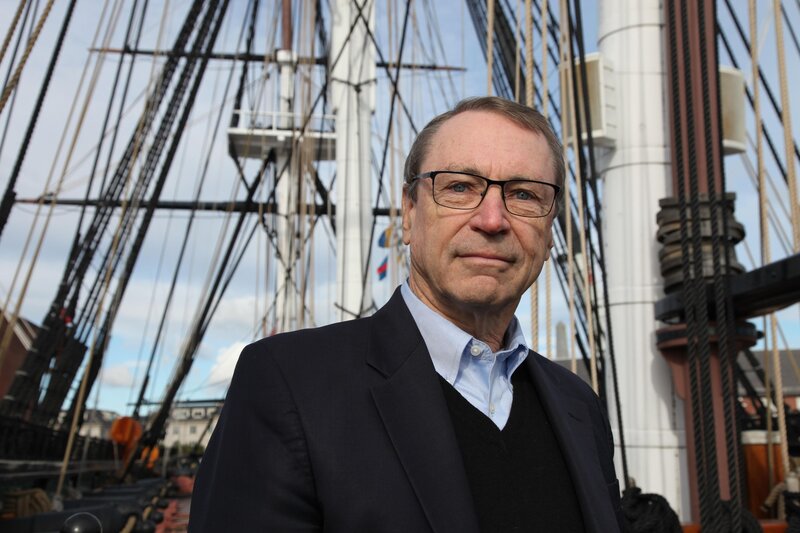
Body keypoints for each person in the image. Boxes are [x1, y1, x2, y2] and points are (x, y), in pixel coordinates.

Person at [189, 97, 624, 532]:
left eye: (525, 194)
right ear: (409, 212)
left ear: (550, 232)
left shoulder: (579, 406)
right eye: (459, 187)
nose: (492, 220)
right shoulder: (290, 385)